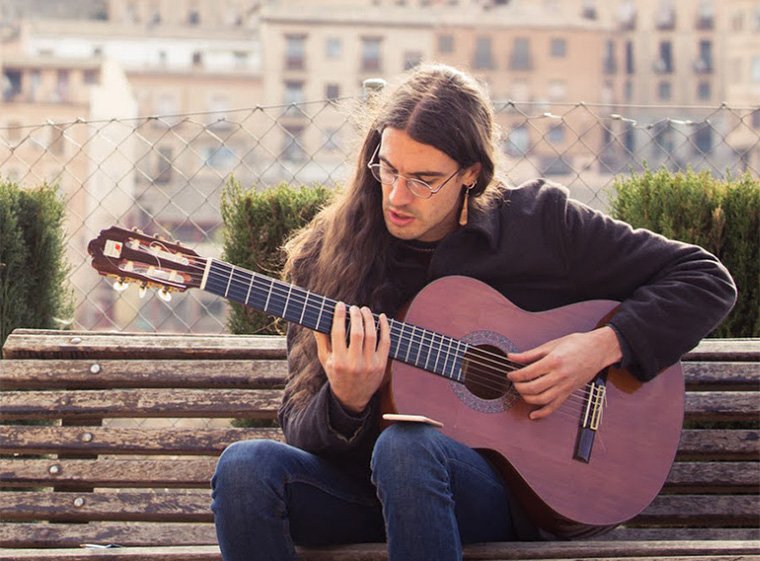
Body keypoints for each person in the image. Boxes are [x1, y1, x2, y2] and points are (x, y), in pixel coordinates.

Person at [211, 64, 736, 561]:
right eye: (388, 169)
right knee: (245, 467)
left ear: (471, 173)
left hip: (512, 494)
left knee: (408, 448)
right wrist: (345, 402)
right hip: (365, 495)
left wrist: (598, 347)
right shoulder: (327, 256)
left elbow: (704, 278)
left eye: (424, 179)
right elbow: (300, 427)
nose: (397, 195)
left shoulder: (537, 222)